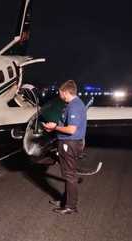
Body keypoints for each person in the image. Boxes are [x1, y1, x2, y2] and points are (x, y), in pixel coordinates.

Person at [43, 80, 87, 215]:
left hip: (70, 143)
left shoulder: (74, 106)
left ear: (66, 92)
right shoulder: (74, 104)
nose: (59, 95)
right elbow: (67, 126)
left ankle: (70, 206)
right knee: (68, 174)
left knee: (69, 175)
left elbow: (71, 130)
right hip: (69, 142)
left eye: (60, 93)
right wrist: (54, 128)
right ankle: (65, 201)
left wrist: (54, 127)